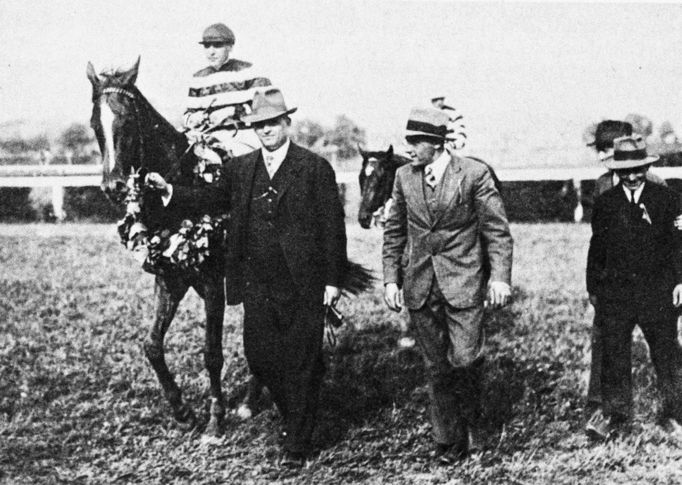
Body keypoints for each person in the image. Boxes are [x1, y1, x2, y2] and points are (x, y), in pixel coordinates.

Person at [147, 88, 347, 467]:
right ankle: (295, 416)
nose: (266, 129)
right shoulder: (241, 169)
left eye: (272, 122)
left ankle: (297, 443)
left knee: (301, 360)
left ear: (287, 123)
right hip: (257, 283)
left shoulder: (314, 167)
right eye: (259, 124)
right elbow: (209, 199)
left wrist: (333, 281)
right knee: (261, 358)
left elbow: (333, 228)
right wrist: (171, 191)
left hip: (303, 283)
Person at [383, 107, 513, 463]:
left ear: (437, 143)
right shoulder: (403, 178)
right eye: (409, 140)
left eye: (417, 141)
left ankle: (474, 423)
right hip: (420, 286)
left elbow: (497, 232)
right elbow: (394, 232)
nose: (410, 148)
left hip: (464, 284)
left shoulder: (473, 174)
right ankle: (448, 441)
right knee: (436, 366)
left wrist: (499, 277)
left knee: (466, 359)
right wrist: (391, 278)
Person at [586, 134, 682, 440]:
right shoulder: (605, 203)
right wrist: (594, 288)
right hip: (616, 294)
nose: (630, 177)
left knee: (667, 354)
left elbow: (678, 245)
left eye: (637, 170)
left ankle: (674, 413)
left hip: (658, 292)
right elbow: (597, 248)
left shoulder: (666, 199)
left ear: (646, 166)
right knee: (614, 355)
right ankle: (616, 417)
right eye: (623, 171)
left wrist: (680, 280)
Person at [184, 23, 272, 157]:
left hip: (242, 137)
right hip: (205, 138)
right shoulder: (197, 79)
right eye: (207, 46)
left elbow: (270, 111)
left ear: (230, 47)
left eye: (217, 45)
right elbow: (186, 116)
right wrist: (193, 118)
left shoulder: (250, 71)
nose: (211, 52)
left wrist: (234, 111)